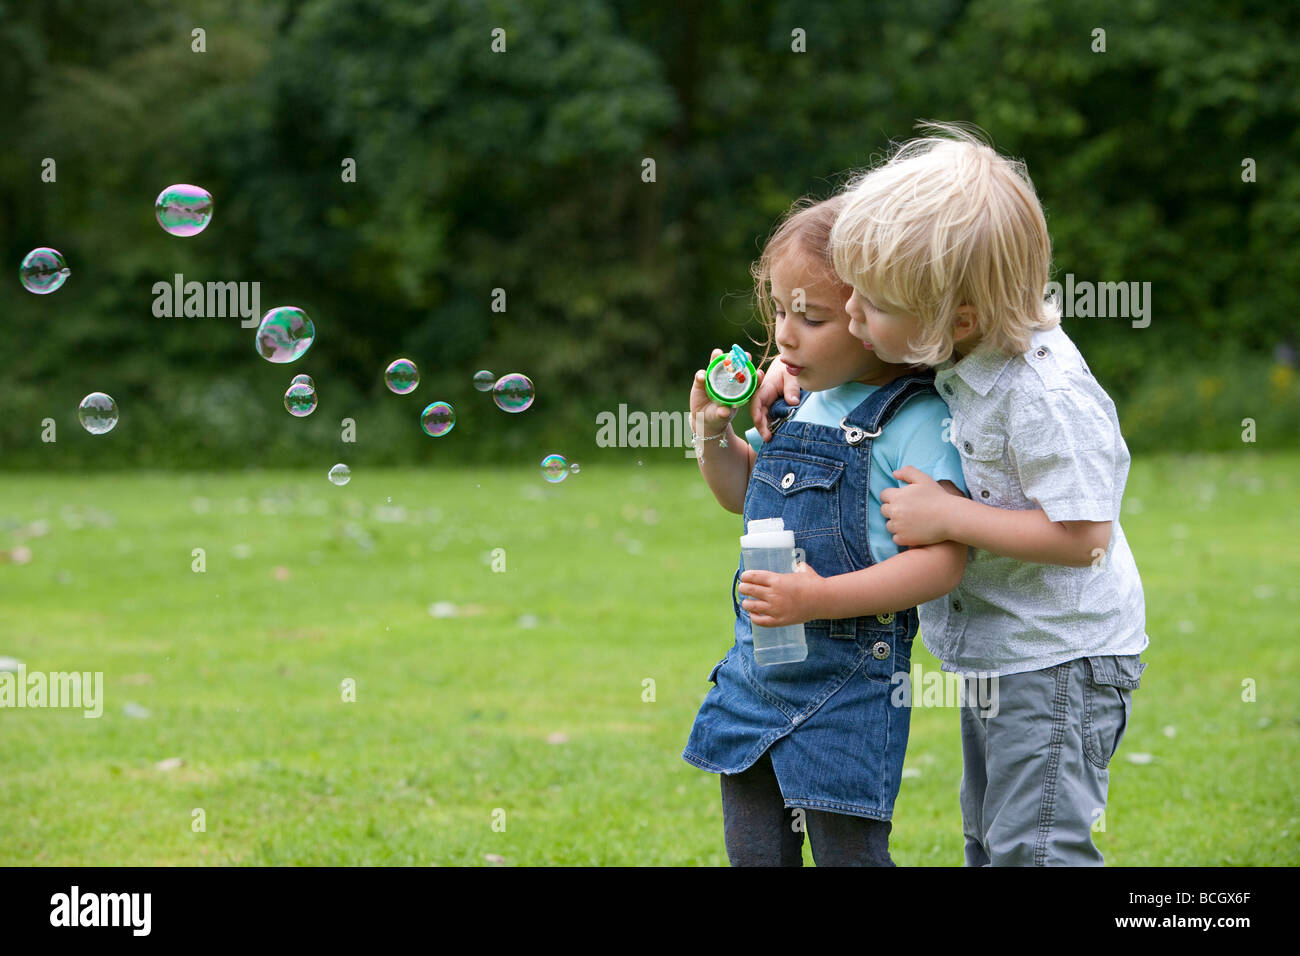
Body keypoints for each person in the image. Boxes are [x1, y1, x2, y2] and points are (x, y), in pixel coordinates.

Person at [751, 124, 1148, 866]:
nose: (855, 319)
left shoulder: (1043, 392)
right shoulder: (955, 348)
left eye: (870, 304)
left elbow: (1087, 537)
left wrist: (953, 516)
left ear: (953, 318)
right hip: (999, 654)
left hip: (1059, 660)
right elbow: (877, 376)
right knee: (990, 843)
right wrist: (796, 373)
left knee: (1035, 850)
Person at [682, 194, 969, 866]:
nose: (783, 336)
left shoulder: (917, 421)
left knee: (850, 857)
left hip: (847, 684)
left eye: (809, 317)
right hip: (760, 673)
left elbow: (941, 565)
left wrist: (818, 600)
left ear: (877, 318)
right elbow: (740, 495)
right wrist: (712, 436)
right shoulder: (799, 400)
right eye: (780, 310)